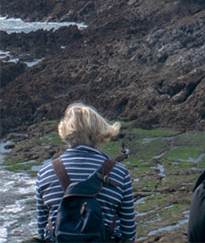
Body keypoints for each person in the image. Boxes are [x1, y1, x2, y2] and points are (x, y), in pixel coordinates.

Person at [35, 103, 137, 241]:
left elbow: (42, 230)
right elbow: (129, 233)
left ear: (65, 133)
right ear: (101, 132)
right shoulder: (119, 173)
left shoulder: (45, 173)